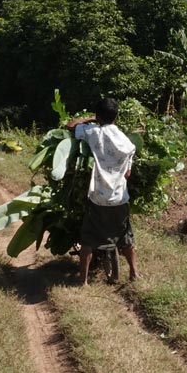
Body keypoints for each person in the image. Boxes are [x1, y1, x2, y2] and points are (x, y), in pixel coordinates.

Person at [65, 98, 139, 285]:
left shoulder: (93, 133)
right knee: (125, 237)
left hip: (98, 197)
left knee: (89, 238)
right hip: (119, 198)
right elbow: (128, 174)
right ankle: (134, 273)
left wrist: (90, 119)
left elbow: (70, 126)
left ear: (99, 116)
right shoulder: (127, 142)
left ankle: (83, 281)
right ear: (117, 116)